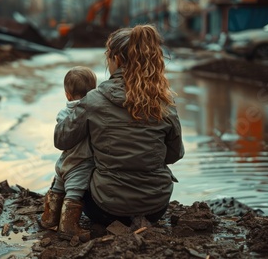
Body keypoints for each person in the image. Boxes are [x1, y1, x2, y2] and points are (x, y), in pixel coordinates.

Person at [54, 24, 184, 227]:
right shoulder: (165, 103)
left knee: (78, 161)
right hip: (155, 208)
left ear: (117, 59)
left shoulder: (93, 100)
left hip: (104, 209)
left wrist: (70, 111)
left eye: (108, 57)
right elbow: (175, 155)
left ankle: (54, 214)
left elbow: (61, 141)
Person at [41, 66, 97, 241]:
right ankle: (68, 227)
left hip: (63, 162)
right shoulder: (93, 113)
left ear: (67, 95)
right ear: (95, 91)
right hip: (80, 164)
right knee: (74, 193)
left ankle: (49, 219)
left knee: (57, 188)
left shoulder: (63, 114)